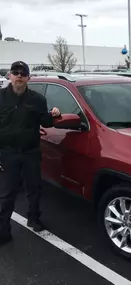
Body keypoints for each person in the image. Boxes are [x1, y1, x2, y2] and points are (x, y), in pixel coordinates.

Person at [0, 61, 61, 244]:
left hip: (30, 153)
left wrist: (54, 114)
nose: (19, 75)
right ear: (9, 75)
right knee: (7, 193)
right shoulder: (0, 97)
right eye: (15, 72)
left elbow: (46, 123)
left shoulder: (37, 99)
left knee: (34, 188)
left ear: (28, 77)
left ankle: (34, 218)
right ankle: (3, 230)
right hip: (7, 153)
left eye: (23, 73)